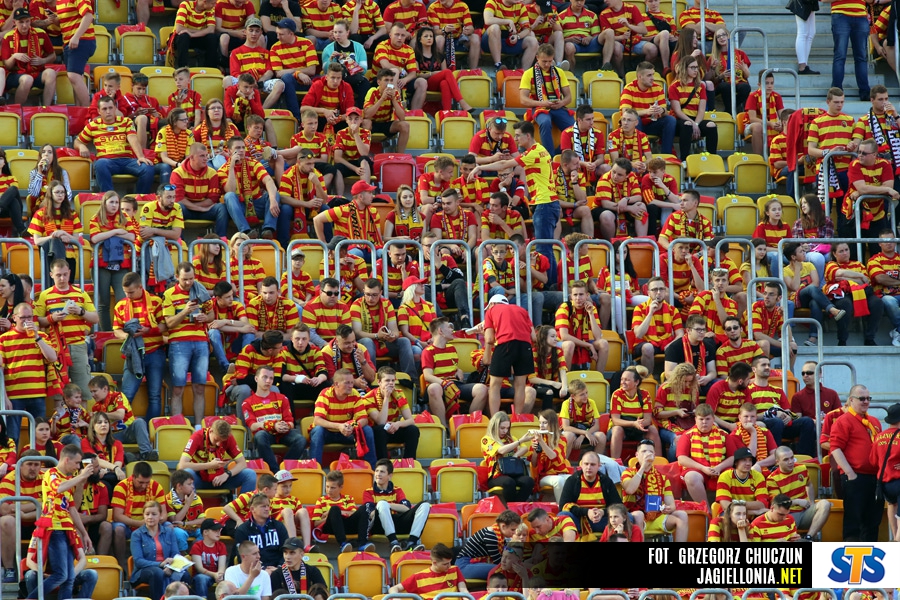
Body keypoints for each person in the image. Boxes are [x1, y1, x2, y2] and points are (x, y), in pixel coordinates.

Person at [474, 121, 560, 283]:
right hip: (548, 202)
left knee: (543, 249)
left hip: (544, 204)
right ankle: (552, 283)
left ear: (528, 136)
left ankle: (550, 285)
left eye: (518, 135)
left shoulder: (534, 152)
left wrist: (479, 167)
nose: (515, 138)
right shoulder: (540, 150)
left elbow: (505, 164)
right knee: (546, 248)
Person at [36, 258, 97, 397]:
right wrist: (52, 318)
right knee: (59, 391)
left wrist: (81, 312)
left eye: (65, 274)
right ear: (51, 275)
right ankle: (61, 412)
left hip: (78, 345)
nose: (62, 278)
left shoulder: (81, 293)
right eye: (58, 275)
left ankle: (81, 412)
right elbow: (37, 321)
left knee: (83, 389)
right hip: (56, 347)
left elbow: (95, 318)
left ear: (69, 273)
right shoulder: (45, 295)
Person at [830, 385, 884, 541]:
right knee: (853, 521)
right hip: (855, 477)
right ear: (851, 400)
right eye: (862, 398)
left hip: (874, 478)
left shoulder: (874, 421)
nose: (866, 401)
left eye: (868, 398)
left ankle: (870, 551)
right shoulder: (843, 421)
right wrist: (850, 473)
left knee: (873, 521)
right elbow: (835, 448)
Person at [113, 272, 168, 421]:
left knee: (155, 396)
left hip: (154, 352)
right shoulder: (120, 305)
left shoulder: (156, 301)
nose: (128, 295)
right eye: (125, 292)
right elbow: (116, 330)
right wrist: (128, 336)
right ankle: (124, 428)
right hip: (133, 355)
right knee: (126, 396)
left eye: (131, 292)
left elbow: (164, 326)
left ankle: (151, 430)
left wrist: (148, 330)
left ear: (140, 287)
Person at [0, 302, 57, 443]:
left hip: (37, 393)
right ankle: (12, 457)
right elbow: (0, 370)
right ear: (14, 318)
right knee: (12, 436)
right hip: (14, 395)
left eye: (29, 317)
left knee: (39, 436)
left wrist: (37, 337)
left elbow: (52, 357)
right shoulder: (4, 339)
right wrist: (4, 398)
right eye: (23, 317)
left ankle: (37, 457)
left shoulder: (42, 336)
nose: (27, 321)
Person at [162, 262, 213, 419]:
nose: (189, 282)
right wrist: (185, 311)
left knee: (200, 387)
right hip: (179, 344)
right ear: (177, 277)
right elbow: (169, 323)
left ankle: (198, 426)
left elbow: (212, 315)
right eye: (185, 279)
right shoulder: (169, 294)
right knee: (178, 388)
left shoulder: (200, 291)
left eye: (191, 278)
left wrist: (205, 317)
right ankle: (177, 424)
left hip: (201, 342)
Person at [75, 96, 155, 193]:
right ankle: (109, 197)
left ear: (115, 108)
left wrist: (140, 157)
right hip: (107, 162)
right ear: (99, 111)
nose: (108, 111)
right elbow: (77, 141)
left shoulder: (126, 121)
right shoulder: (93, 125)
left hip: (128, 161)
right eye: (104, 109)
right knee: (100, 164)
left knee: (148, 168)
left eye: (110, 108)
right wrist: (81, 146)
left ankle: (139, 198)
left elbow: (132, 138)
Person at [219, 136, 289, 246]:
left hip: (256, 204)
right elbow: (230, 190)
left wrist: (272, 200)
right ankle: (246, 231)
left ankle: (268, 230)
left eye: (243, 147)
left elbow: (269, 181)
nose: (241, 150)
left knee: (274, 193)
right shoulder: (222, 170)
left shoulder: (253, 163)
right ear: (229, 151)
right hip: (239, 208)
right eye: (237, 148)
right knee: (229, 196)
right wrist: (232, 166)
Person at [422, 318, 488, 426]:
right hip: (438, 385)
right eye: (449, 327)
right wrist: (444, 383)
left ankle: (470, 425)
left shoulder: (452, 348)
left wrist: (459, 370)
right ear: (440, 331)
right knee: (434, 388)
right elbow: (427, 376)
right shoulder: (428, 351)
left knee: (482, 389)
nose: (452, 330)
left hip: (454, 384)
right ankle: (444, 428)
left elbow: (453, 366)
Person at [242, 365, 307, 473]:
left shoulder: (282, 398)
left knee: (301, 440)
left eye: (271, 378)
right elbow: (252, 426)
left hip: (282, 433)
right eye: (264, 377)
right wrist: (273, 425)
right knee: (260, 436)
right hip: (265, 434)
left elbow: (290, 422)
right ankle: (275, 472)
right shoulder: (247, 402)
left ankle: (284, 469)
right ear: (256, 378)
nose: (268, 381)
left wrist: (286, 426)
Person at [89, 191, 139, 331]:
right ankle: (106, 333)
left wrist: (106, 235)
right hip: (101, 265)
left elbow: (132, 237)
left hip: (121, 265)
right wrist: (116, 232)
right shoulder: (96, 218)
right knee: (103, 303)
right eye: (111, 202)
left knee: (123, 300)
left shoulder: (125, 218)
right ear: (104, 203)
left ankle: (123, 331)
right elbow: (94, 238)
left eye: (117, 202)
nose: (114, 205)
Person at [748, 355, 817, 456]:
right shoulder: (748, 390)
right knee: (777, 421)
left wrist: (787, 417)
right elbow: (749, 417)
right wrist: (772, 413)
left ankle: (805, 457)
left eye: (769, 365)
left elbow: (787, 411)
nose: (767, 367)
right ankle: (776, 457)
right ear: (754, 369)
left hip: (781, 425)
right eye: (763, 365)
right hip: (763, 425)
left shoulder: (778, 390)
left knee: (807, 421)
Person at [621, 440, 689, 541]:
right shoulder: (628, 472)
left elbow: (672, 505)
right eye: (644, 451)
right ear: (637, 455)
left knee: (682, 515)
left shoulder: (662, 477)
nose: (647, 454)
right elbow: (630, 489)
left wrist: (668, 508)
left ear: (654, 456)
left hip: (656, 516)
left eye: (651, 452)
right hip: (635, 516)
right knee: (639, 515)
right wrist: (643, 467)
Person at [784, 241, 846, 347]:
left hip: (811, 296)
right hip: (797, 299)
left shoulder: (809, 265)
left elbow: (816, 283)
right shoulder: (785, 271)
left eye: (803, 251)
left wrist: (807, 289)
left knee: (815, 303)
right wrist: (797, 269)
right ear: (793, 257)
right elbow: (794, 288)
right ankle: (832, 310)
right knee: (811, 289)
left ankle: (812, 338)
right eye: (801, 252)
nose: (804, 253)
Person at [310, 368, 377, 467]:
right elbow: (317, 420)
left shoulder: (355, 393)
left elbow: (363, 419)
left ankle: (371, 468)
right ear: (336, 384)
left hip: (347, 432)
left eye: (352, 382)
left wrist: (351, 427)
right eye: (347, 383)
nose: (351, 386)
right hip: (328, 432)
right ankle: (314, 468)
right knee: (318, 430)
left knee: (367, 430)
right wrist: (339, 426)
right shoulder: (325, 394)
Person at [361, 458, 430, 552]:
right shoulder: (368, 492)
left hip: (398, 522)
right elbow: (370, 514)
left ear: (390, 476)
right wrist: (384, 506)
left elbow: (406, 508)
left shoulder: (397, 490)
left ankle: (412, 542)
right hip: (379, 526)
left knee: (425, 505)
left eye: (382, 472)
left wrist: (388, 505)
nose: (378, 474)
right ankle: (393, 542)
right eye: (376, 471)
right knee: (382, 504)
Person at [823, 241, 884, 346]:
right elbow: (839, 273)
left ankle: (869, 338)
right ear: (834, 254)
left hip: (861, 292)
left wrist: (845, 278)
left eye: (846, 250)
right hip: (843, 294)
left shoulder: (858, 264)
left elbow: (865, 281)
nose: (845, 253)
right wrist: (859, 275)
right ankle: (842, 340)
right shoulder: (831, 264)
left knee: (877, 303)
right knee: (845, 304)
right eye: (841, 251)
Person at [518, 44, 573, 157]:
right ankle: (549, 157)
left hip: (557, 107)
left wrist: (561, 103)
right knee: (545, 122)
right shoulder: (528, 74)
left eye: (550, 61)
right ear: (537, 57)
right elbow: (523, 100)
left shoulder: (559, 72)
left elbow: (569, 97)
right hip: (539, 107)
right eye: (544, 61)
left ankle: (560, 153)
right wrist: (543, 103)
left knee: (574, 128)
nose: (547, 64)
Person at [766, 445, 832, 541]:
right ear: (777, 462)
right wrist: (796, 501)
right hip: (787, 515)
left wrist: (811, 502)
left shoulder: (802, 468)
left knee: (825, 504)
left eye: (792, 458)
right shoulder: (772, 479)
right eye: (786, 459)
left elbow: (809, 484)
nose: (790, 462)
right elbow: (777, 503)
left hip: (805, 512)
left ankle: (808, 537)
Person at [483, 294, 534, 416]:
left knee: (495, 384)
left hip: (505, 344)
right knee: (520, 385)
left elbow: (489, 339)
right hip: (525, 346)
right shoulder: (522, 310)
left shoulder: (491, 310)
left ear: (492, 304)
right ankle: (517, 417)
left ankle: (495, 418)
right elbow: (534, 337)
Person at [130, 501, 192, 600]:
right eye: (147, 514)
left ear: (160, 516)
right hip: (144, 570)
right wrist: (160, 565)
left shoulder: (169, 532)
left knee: (185, 574)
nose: (150, 517)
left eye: (154, 514)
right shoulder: (137, 534)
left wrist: (171, 568)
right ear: (143, 516)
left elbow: (175, 554)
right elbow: (138, 561)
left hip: (168, 567)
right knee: (158, 573)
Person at [177, 418, 257, 493]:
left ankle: (244, 503)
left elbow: (242, 463)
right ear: (211, 431)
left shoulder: (228, 437)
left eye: (222, 441)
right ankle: (192, 503)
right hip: (199, 478)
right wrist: (210, 465)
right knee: (187, 473)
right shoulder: (197, 437)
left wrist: (227, 474)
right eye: (216, 440)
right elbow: (182, 465)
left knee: (250, 474)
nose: (218, 444)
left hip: (220, 479)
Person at [676, 403, 734, 503]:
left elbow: (733, 457)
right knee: (691, 477)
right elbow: (681, 459)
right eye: (701, 419)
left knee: (735, 474)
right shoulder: (687, 435)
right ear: (695, 419)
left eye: (707, 419)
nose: (704, 422)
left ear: (713, 419)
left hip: (720, 469)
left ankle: (727, 507)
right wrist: (703, 468)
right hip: (698, 469)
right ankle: (705, 509)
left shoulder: (724, 434)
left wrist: (719, 467)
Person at [411, 27, 474, 113]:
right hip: (424, 83)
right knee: (447, 72)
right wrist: (433, 73)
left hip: (437, 84)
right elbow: (417, 74)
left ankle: (446, 112)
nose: (429, 38)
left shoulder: (439, 56)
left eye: (431, 36)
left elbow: (446, 76)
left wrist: (438, 73)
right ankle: (462, 102)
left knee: (444, 83)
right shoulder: (416, 56)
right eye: (426, 36)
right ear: (420, 39)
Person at [558, 450, 620, 537]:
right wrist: (586, 512)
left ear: (599, 466)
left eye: (593, 464)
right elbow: (563, 506)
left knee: (628, 517)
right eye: (586, 464)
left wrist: (602, 512)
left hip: (601, 521)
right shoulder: (572, 481)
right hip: (579, 520)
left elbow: (618, 505)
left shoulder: (606, 481)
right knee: (563, 516)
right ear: (581, 465)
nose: (589, 467)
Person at [1, 9, 56, 105]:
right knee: (27, 79)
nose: (25, 25)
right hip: (15, 74)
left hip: (36, 72)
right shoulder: (8, 37)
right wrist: (14, 57)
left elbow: (53, 55)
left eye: (27, 21)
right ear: (14, 23)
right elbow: (7, 66)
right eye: (21, 22)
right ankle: (16, 109)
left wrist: (43, 60)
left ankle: (46, 108)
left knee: (51, 73)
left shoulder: (41, 33)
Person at [28, 180, 82, 279]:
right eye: (57, 192)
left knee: (68, 285)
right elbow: (37, 241)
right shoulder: (40, 214)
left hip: (69, 257)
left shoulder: (72, 214)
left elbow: (76, 240)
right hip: (50, 257)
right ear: (50, 194)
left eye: (62, 192)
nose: (60, 195)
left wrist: (63, 233)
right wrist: (54, 237)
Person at [362, 367, 418, 459]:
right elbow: (381, 422)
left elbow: (411, 420)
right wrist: (386, 398)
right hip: (376, 432)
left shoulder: (399, 394)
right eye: (387, 381)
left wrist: (398, 424)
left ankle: (409, 462)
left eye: (393, 380)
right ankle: (383, 462)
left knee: (413, 430)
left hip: (392, 428)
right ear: (379, 382)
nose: (391, 383)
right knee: (380, 430)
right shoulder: (368, 398)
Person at [669, 55, 718, 160]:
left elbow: (701, 110)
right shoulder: (674, 86)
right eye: (692, 67)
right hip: (680, 120)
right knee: (687, 124)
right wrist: (692, 123)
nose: (696, 70)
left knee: (711, 125)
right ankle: (684, 159)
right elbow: (677, 111)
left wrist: (696, 124)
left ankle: (712, 158)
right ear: (684, 68)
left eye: (697, 67)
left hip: (696, 120)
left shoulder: (700, 86)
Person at [621, 61, 676, 155]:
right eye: (649, 75)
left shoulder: (658, 88)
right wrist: (646, 111)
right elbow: (625, 112)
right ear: (639, 76)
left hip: (652, 124)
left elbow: (665, 112)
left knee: (670, 119)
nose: (653, 78)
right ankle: (638, 155)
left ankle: (667, 155)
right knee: (635, 119)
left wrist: (661, 110)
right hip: (637, 124)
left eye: (653, 75)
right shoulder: (629, 89)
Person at [269, 19, 318, 121]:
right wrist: (298, 73)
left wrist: (294, 71)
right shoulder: (274, 48)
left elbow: (312, 70)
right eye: (277, 34)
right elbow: (279, 73)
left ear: (291, 34)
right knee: (286, 78)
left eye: (281, 34)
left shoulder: (307, 43)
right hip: (292, 82)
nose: (278, 37)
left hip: (309, 79)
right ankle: (296, 118)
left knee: (326, 79)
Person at [555, 280, 609, 372]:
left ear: (587, 295)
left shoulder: (591, 308)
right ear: (571, 296)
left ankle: (599, 377)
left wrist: (590, 314)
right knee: (569, 344)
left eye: (581, 294)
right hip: (562, 342)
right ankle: (565, 378)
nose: (578, 298)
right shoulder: (564, 307)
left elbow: (598, 336)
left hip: (583, 340)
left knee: (603, 343)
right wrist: (588, 345)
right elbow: (564, 336)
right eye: (575, 295)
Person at [481, 412, 534, 504]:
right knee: (509, 482)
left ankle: (516, 506)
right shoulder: (486, 439)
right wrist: (519, 441)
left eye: (507, 428)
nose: (505, 431)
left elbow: (525, 448)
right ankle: (511, 506)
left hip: (514, 473)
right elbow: (501, 450)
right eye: (502, 428)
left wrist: (515, 456)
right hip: (496, 475)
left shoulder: (510, 438)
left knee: (529, 481)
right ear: (494, 426)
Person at [311, 469, 367, 553]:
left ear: (341, 487)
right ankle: (343, 543)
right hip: (331, 527)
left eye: (333, 488)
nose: (329, 490)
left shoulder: (348, 498)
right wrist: (330, 515)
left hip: (347, 525)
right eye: (327, 487)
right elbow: (316, 523)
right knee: (334, 509)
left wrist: (340, 512)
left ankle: (362, 543)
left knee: (364, 508)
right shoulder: (321, 500)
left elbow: (353, 513)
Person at [456, 510, 521, 580]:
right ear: (503, 526)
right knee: (503, 570)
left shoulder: (499, 535)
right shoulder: (491, 535)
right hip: (465, 565)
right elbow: (499, 561)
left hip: (474, 563)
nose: (515, 533)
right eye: (513, 530)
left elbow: (507, 553)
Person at [233, 492, 290, 569]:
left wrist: (278, 569)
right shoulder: (242, 530)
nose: (267, 509)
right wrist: (262, 570)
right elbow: (242, 557)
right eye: (263, 506)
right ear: (252, 509)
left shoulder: (279, 526)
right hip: (254, 571)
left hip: (278, 570)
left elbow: (287, 550)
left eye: (268, 506)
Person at [389, 543, 468, 596]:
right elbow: (394, 588)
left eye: (450, 562)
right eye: (445, 564)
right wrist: (396, 598)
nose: (449, 566)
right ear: (434, 563)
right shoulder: (419, 577)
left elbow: (464, 591)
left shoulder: (455, 570)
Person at [56, 0, 95, 106]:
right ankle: (79, 109)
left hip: (82, 40)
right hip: (69, 43)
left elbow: (88, 16)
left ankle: (88, 110)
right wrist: (55, 20)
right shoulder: (59, 1)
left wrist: (76, 36)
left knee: (73, 75)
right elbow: (68, 21)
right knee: (76, 77)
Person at [482, 0, 538, 74]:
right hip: (489, 42)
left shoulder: (521, 6)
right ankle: (498, 65)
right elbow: (487, 20)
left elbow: (527, 29)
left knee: (533, 41)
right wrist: (508, 21)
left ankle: (523, 73)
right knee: (495, 27)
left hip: (509, 40)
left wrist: (517, 36)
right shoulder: (492, 2)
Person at [871, 403, 900, 541]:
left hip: (884, 484)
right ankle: (898, 539)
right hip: (898, 481)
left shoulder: (879, 437)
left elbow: (873, 461)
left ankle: (894, 536)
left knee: (891, 505)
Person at [530, 408, 570, 503]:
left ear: (552, 424)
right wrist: (535, 450)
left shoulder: (562, 439)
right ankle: (562, 507)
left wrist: (542, 442)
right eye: (540, 423)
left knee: (574, 479)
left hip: (560, 473)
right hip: (544, 476)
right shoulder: (537, 439)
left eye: (544, 423)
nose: (541, 426)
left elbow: (553, 456)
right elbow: (534, 464)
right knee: (558, 481)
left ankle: (572, 506)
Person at [560, 105, 608, 181]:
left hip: (593, 167)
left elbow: (601, 158)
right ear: (579, 120)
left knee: (606, 168)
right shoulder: (566, 133)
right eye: (588, 119)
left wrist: (594, 164)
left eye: (592, 119)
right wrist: (584, 164)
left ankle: (600, 187)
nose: (592, 122)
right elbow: (567, 158)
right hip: (575, 167)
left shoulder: (598, 133)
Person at [194, 99, 241, 170]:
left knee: (220, 160)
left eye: (219, 108)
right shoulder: (199, 129)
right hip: (206, 161)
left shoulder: (232, 127)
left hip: (227, 160)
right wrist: (209, 155)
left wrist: (226, 154)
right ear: (207, 112)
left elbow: (240, 147)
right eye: (213, 108)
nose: (216, 110)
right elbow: (194, 150)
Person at [26, 144, 71, 217]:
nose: (46, 154)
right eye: (43, 152)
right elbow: (33, 194)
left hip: (59, 202)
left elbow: (68, 192)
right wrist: (39, 173)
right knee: (47, 200)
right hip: (41, 203)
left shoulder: (62, 172)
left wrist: (60, 200)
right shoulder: (34, 172)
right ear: (40, 156)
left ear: (54, 156)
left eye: (50, 152)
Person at [173, 0, 218, 68]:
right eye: (213, 3)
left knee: (212, 37)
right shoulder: (185, 5)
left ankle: (210, 68)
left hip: (198, 37)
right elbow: (179, 29)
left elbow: (211, 30)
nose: (214, 5)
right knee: (184, 36)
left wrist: (192, 34)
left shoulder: (210, 9)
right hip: (182, 37)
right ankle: (182, 68)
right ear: (204, 2)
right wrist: (201, 31)